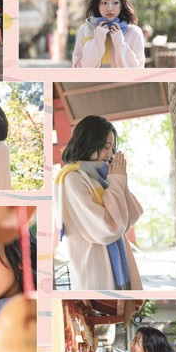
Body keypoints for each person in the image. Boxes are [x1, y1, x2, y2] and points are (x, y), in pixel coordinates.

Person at [53, 115, 143, 290]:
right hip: (95, 266)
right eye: (105, 147)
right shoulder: (72, 178)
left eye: (113, 148)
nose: (110, 154)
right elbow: (108, 229)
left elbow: (128, 220)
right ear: (88, 142)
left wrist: (120, 182)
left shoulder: (103, 176)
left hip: (115, 261)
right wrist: (116, 184)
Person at [72, 0, 145, 68]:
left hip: (123, 81)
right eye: (104, 3)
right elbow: (78, 69)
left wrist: (120, 43)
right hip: (94, 81)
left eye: (115, 3)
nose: (109, 8)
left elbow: (137, 72)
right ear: (97, 5)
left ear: (121, 5)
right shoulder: (85, 30)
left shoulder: (134, 33)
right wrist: (97, 40)